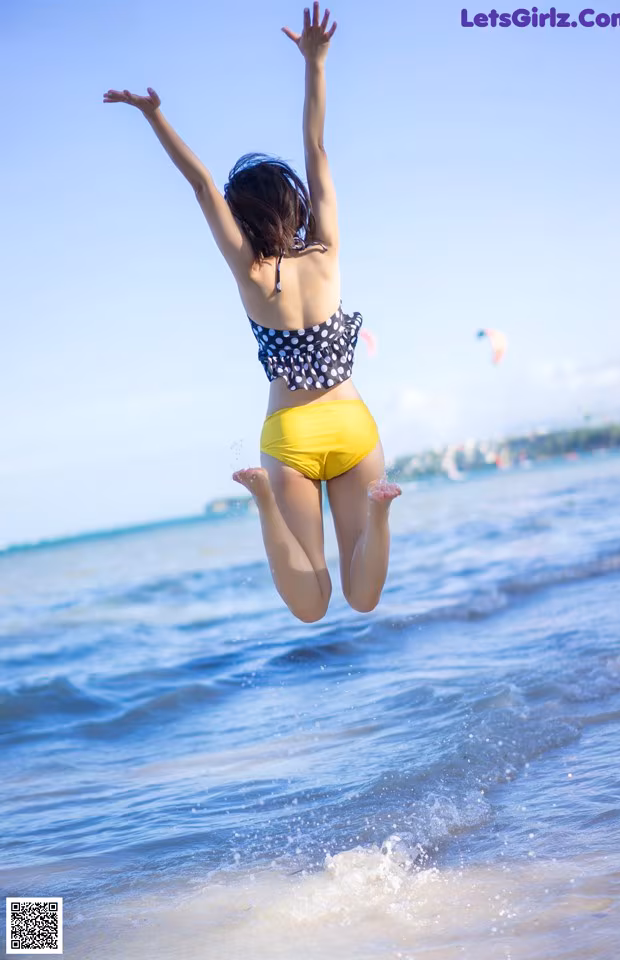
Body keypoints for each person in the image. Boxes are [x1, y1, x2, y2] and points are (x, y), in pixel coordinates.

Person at [103, 3, 401, 623]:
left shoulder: (251, 273)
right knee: (362, 598)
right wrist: (316, 63)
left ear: (244, 218)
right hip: (353, 426)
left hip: (289, 440)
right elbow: (316, 145)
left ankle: (264, 504)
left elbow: (201, 185)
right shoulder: (327, 252)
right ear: (291, 204)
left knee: (312, 607)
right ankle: (379, 510)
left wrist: (155, 118)